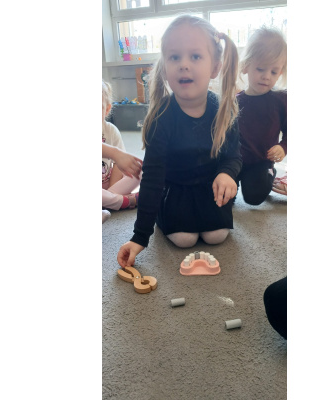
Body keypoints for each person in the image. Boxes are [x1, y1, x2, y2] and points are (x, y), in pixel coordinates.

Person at [117, 15, 241, 268]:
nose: (184, 64)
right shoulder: (161, 117)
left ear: (215, 67)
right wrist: (140, 237)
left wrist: (227, 173)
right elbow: (152, 178)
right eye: (175, 57)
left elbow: (234, 155)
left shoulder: (224, 110)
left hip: (209, 190)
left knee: (216, 236)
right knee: (184, 239)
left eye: (195, 56)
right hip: (176, 191)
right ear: (164, 67)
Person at [236, 27, 288, 204]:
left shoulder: (280, 100)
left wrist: (283, 147)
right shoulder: (236, 101)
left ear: (280, 73)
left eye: (273, 72)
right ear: (246, 66)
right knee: (221, 195)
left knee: (254, 197)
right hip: (234, 161)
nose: (266, 77)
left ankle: (271, 173)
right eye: (260, 69)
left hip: (261, 161)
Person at [102, 80, 142, 214]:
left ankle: (108, 202)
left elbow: (119, 164)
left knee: (139, 169)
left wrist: (111, 192)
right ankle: (125, 201)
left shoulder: (111, 130)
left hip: (108, 187)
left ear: (107, 109)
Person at [102, 142, 142, 223]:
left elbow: (118, 161)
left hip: (108, 189)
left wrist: (111, 193)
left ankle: (108, 201)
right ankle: (129, 201)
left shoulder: (112, 134)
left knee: (138, 167)